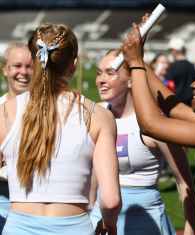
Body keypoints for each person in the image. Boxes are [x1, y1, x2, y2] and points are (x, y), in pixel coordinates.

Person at [0, 23, 121, 235]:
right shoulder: (99, 116)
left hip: (18, 227)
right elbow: (110, 201)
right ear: (73, 64)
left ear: (34, 61)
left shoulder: (5, 111)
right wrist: (109, 224)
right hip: (74, 227)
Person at [122, 23, 195, 235]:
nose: (193, 85)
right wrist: (140, 57)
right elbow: (174, 108)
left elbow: (151, 125)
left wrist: (135, 64)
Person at [90, 49, 195, 235]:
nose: (101, 80)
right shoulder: (95, 113)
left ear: (131, 79)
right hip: (101, 219)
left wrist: (189, 227)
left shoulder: (153, 122)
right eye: (99, 73)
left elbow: (183, 181)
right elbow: (91, 175)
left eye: (110, 73)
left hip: (145, 223)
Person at [0, 41, 33, 233]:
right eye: (17, 66)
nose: (24, 72)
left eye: (29, 67)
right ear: (5, 70)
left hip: (35, 201)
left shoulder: (50, 110)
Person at [166, 37, 195, 105]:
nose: (171, 52)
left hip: (176, 104)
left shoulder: (173, 66)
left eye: (171, 50)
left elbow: (168, 84)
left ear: (175, 50)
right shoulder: (192, 66)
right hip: (190, 103)